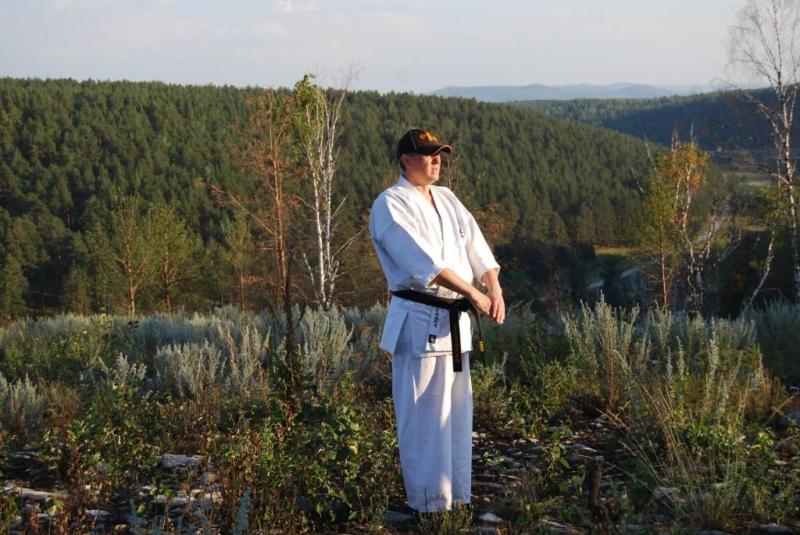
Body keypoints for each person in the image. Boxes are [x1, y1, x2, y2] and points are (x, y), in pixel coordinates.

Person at [369, 127, 505, 513]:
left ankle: (456, 499)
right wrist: (472, 293)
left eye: (439, 154)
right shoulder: (390, 204)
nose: (436, 161)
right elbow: (423, 264)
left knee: (457, 413)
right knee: (424, 417)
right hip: (419, 320)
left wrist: (493, 286)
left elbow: (476, 246)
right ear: (405, 160)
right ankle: (428, 505)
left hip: (455, 323)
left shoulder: (447, 198)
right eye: (427, 155)